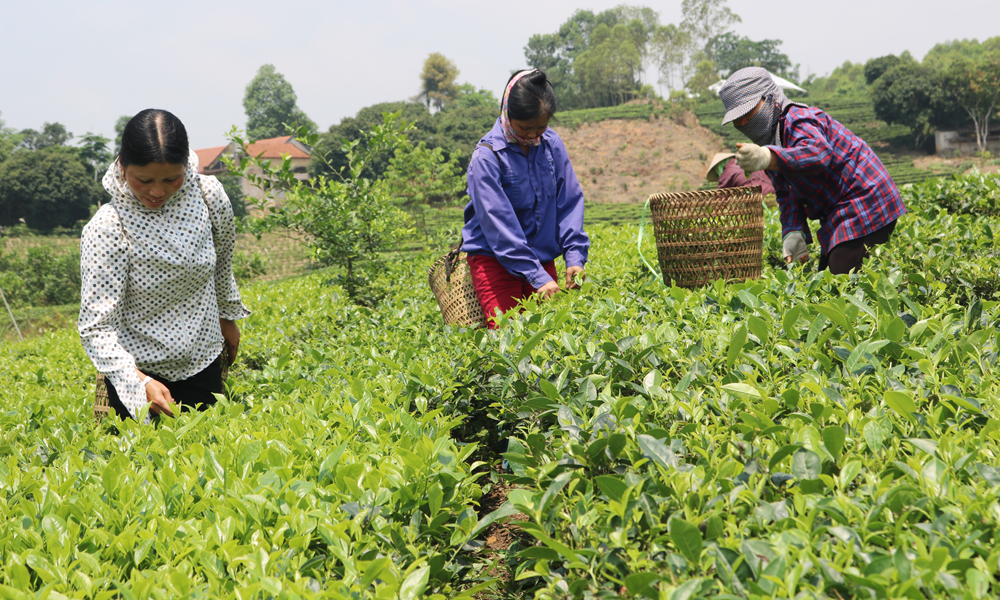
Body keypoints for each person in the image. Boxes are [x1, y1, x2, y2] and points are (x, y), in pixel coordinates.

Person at [79, 109, 250, 422]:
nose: (157, 192)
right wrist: (140, 381)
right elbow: (96, 328)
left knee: (209, 461)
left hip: (204, 361)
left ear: (186, 164)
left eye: (171, 178)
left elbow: (223, 264)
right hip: (137, 377)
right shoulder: (109, 226)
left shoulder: (208, 195)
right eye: (143, 180)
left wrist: (229, 317)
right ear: (122, 165)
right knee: (140, 466)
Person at [720, 67, 906, 274]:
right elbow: (786, 193)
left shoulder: (798, 119)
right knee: (827, 277)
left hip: (864, 199)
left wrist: (769, 157)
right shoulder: (772, 142)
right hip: (840, 210)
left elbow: (818, 154)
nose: (743, 122)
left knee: (841, 281)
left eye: (748, 112)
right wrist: (792, 230)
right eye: (737, 119)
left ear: (771, 99)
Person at [460, 69, 590, 328]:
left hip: (541, 258)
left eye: (540, 127)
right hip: (495, 261)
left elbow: (569, 201)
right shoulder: (486, 158)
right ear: (508, 112)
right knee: (509, 338)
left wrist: (574, 256)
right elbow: (499, 227)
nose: (533, 135)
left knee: (550, 335)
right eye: (525, 127)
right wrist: (537, 276)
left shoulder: (551, 143)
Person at [706, 152, 775, 195]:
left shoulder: (727, 172)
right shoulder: (747, 163)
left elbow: (720, 196)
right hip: (775, 192)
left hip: (757, 198)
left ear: (719, 166)